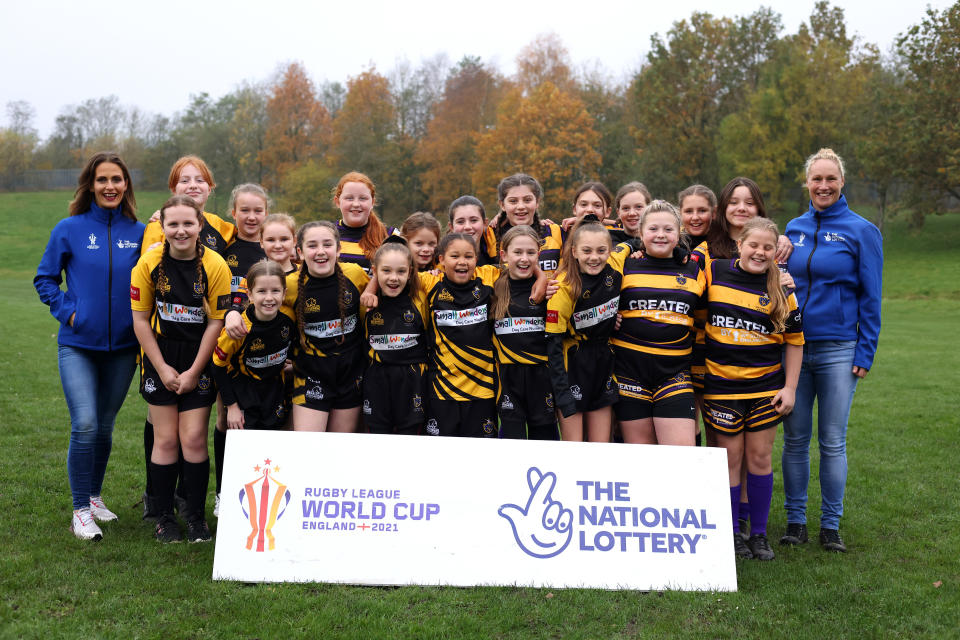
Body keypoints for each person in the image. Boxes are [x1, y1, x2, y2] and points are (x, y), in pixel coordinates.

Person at [35, 151, 145, 540]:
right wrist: (70, 312)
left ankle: (94, 496)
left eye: (117, 179)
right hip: (78, 344)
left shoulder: (141, 232)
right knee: (84, 423)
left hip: (124, 348)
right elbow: (45, 279)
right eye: (102, 180)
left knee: (104, 426)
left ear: (126, 184)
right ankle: (80, 510)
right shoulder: (69, 228)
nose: (110, 186)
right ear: (90, 185)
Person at [780, 148, 883, 553]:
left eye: (831, 179)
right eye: (816, 179)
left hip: (841, 349)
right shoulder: (795, 228)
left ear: (842, 183)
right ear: (807, 183)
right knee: (794, 439)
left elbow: (872, 297)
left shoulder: (862, 231)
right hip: (795, 350)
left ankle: (831, 524)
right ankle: (795, 521)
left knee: (833, 441)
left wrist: (866, 351)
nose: (823, 186)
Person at [131, 195, 231, 543]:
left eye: (188, 223)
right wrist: (161, 368)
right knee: (166, 439)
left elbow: (216, 323)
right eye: (173, 224)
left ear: (200, 225)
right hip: (161, 357)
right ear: (163, 227)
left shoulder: (215, 265)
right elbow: (141, 321)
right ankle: (163, 517)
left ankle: (195, 516)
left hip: (198, 360)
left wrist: (192, 372)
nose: (181, 230)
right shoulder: (148, 263)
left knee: (192, 439)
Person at [702, 218, 803, 561]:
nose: (759, 252)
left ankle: (758, 534)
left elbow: (794, 342)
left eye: (767, 247)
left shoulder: (783, 288)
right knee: (731, 460)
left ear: (776, 252)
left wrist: (790, 388)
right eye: (753, 245)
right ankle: (731, 534)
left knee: (759, 459)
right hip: (722, 388)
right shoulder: (714, 271)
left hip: (764, 389)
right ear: (740, 244)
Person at [610, 201, 704, 446]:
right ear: (640, 233)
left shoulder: (694, 270)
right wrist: (610, 319)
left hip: (674, 374)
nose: (661, 235)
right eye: (653, 229)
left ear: (679, 233)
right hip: (630, 374)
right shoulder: (625, 266)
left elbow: (705, 319)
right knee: (642, 463)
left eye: (668, 229)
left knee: (681, 461)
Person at [288, 221, 370, 433]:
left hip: (351, 375)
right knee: (309, 450)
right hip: (310, 374)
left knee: (339, 452)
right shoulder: (289, 284)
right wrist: (233, 314)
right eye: (312, 246)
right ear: (300, 251)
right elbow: (257, 308)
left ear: (338, 249)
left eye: (327, 244)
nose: (321, 252)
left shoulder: (355, 274)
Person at [546, 217, 621, 442]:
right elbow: (553, 345)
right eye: (587, 250)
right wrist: (562, 394)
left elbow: (634, 243)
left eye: (601, 250)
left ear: (610, 251)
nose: (594, 257)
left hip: (603, 365)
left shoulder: (615, 266)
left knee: (600, 447)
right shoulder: (563, 287)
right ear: (575, 252)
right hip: (573, 367)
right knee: (574, 450)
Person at [492, 225, 559, 440]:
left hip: (542, 377)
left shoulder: (548, 289)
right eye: (517, 252)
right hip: (507, 379)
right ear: (504, 255)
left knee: (545, 440)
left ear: (538, 255)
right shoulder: (491, 285)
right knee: (513, 442)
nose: (524, 258)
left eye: (530, 253)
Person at [212, 261, 296, 431]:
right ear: (250, 294)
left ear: (284, 293)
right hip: (243, 395)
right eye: (261, 291)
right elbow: (217, 366)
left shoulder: (289, 320)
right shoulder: (238, 328)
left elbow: (295, 349)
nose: (269, 298)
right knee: (240, 448)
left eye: (275, 291)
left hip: (274, 393)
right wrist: (232, 406)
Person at [361, 240, 429, 435]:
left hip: (412, 378)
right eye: (386, 271)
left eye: (401, 272)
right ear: (374, 271)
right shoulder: (365, 302)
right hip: (376, 378)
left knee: (410, 435)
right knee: (378, 435)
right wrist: (369, 290)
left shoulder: (420, 299)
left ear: (410, 273)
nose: (393, 278)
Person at [678, 184, 717, 446]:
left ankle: (721, 481)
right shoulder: (669, 241)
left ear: (714, 213)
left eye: (702, 210)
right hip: (679, 344)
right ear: (679, 213)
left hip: (713, 345)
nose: (695, 217)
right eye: (689, 210)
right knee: (685, 421)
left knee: (714, 420)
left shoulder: (720, 246)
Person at [484, 174, 565, 276]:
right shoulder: (489, 236)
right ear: (502, 205)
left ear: (537, 202)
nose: (521, 206)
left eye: (527, 200)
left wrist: (579, 220)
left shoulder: (557, 232)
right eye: (513, 201)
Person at [333, 172, 396, 273]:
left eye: (363, 198)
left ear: (372, 202)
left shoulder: (391, 236)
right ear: (337, 202)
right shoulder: (326, 234)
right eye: (349, 198)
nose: (356, 204)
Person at [447, 196, 494, 265]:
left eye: (474, 220)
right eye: (460, 222)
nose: (467, 227)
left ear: (485, 223)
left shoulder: (499, 256)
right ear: (451, 227)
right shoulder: (440, 262)